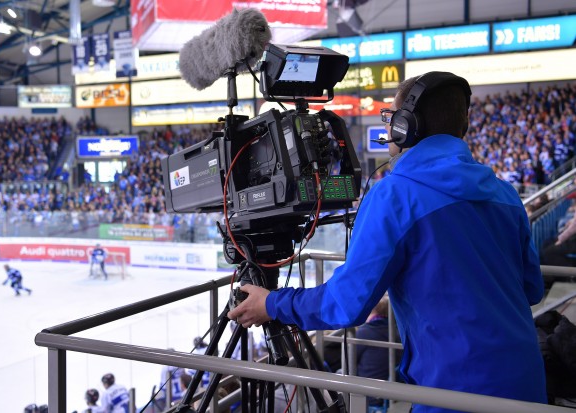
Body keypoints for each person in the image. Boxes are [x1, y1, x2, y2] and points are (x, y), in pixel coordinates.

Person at [228, 71, 547, 412]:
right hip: (527, 386)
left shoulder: (395, 196)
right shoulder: (505, 193)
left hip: (454, 395)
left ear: (406, 126)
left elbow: (347, 303)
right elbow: (531, 290)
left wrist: (272, 304)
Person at [356, 295, 401, 407]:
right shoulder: (398, 332)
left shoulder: (365, 332)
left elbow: (350, 360)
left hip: (368, 395)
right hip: (391, 394)